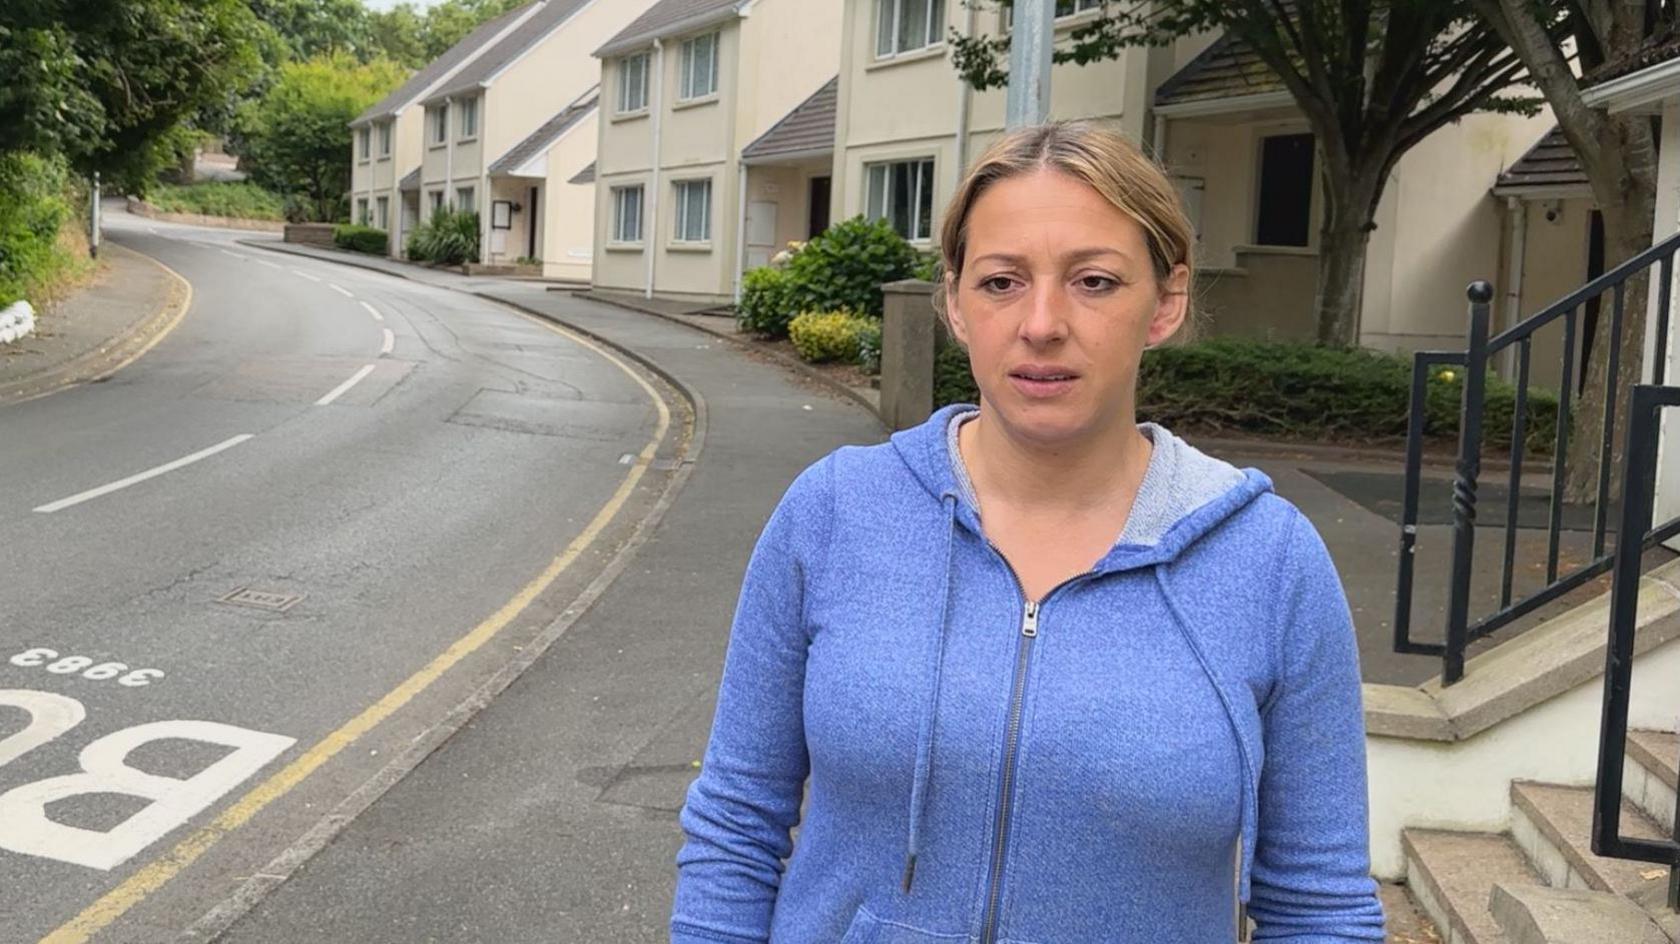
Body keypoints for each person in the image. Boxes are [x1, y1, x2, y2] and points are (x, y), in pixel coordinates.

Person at [671, 121, 1386, 943]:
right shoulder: (834, 512)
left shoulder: (1269, 563)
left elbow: (1319, 906)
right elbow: (735, 830)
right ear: (955, 302)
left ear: (1168, 300)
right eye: (1003, 282)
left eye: (1094, 282)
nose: (1042, 323)